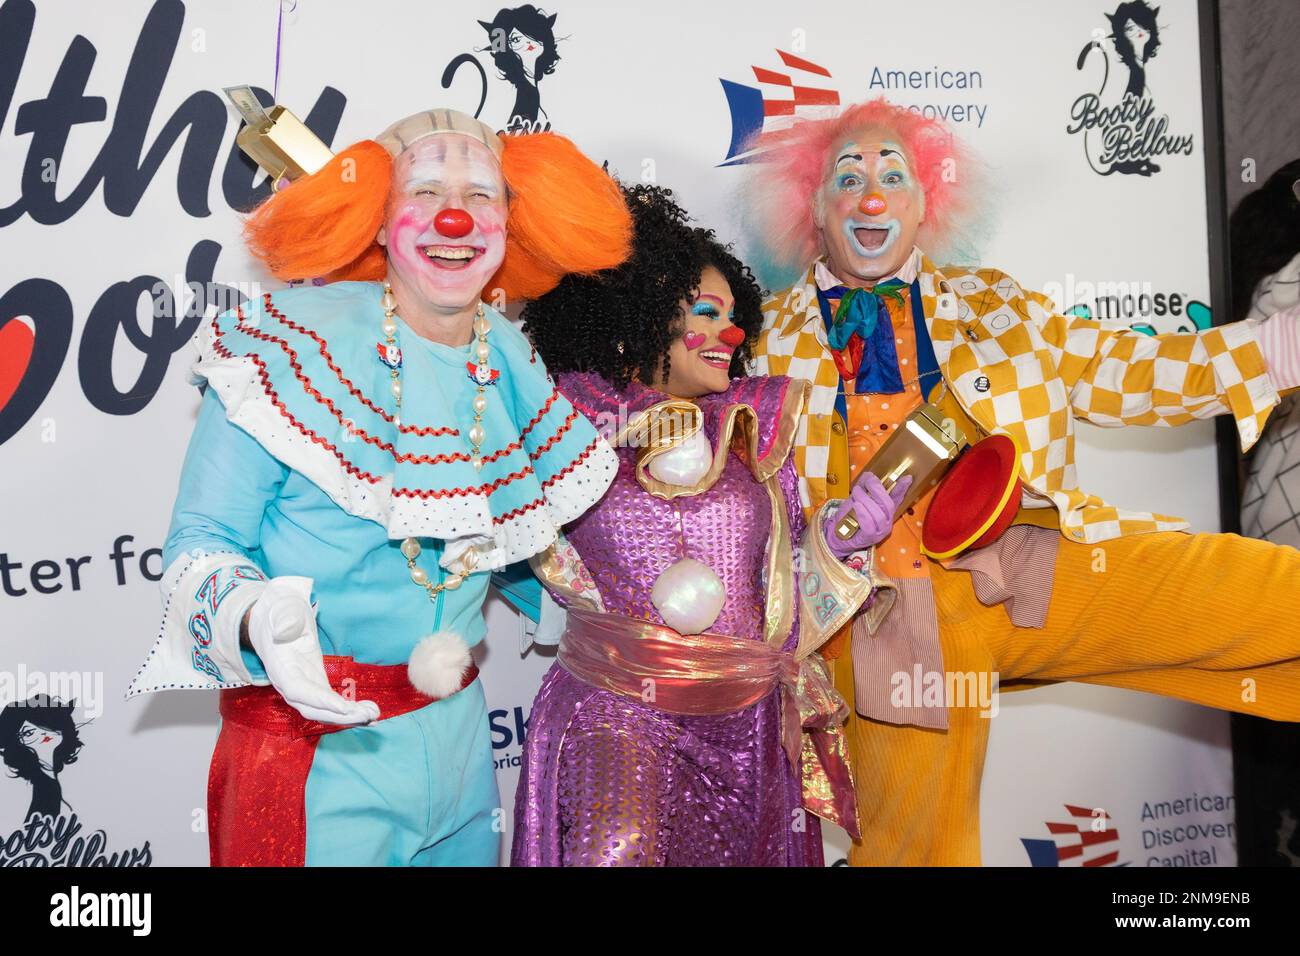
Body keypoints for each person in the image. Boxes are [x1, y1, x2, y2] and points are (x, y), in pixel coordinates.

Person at [745, 97, 1300, 866]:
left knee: (1271, 593)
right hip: (877, 615)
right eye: (849, 176)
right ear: (812, 206)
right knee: (917, 851)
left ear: (924, 204)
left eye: (892, 175)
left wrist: (1276, 349)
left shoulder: (1000, 307)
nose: (871, 196)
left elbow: (1126, 371)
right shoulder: (765, 339)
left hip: (1023, 565)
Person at [127, 108, 631, 866]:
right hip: (315, 750)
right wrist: (254, 614)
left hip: (458, 749)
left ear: (512, 222)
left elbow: (508, 545)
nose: (453, 217)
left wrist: (605, 612)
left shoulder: (513, 365)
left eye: (480, 195)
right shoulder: (286, 350)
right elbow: (203, 540)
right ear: (379, 213)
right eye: (424, 189)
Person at [511, 185, 898, 866]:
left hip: (745, 727)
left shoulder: (757, 438)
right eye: (706, 313)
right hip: (619, 710)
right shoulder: (567, 428)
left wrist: (844, 537)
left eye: (734, 316)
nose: (732, 333)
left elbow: (782, 602)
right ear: (638, 320)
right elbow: (501, 523)